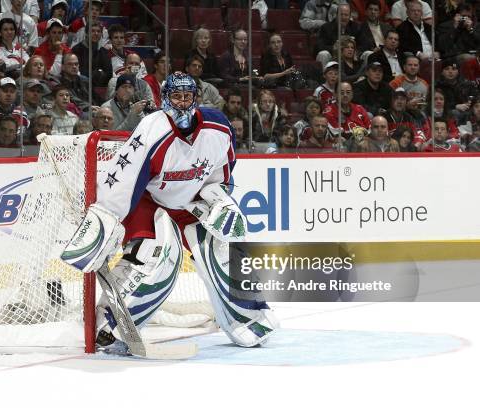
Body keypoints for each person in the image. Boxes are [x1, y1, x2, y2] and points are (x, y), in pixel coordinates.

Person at [60, 71, 278, 352]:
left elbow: (222, 171)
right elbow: (124, 179)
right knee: (158, 256)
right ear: (164, 99)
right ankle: (110, 323)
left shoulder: (219, 127)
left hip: (191, 201)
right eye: (176, 97)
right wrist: (106, 220)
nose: (183, 103)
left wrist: (218, 198)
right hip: (152, 201)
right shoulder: (152, 130)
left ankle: (249, 319)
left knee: (222, 250)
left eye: (188, 97)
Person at [315, 4, 360, 69]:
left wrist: (353, 49)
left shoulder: (355, 27)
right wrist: (334, 47)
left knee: (367, 53)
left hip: (351, 56)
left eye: (346, 15)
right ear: (336, 15)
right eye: (341, 14)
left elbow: (364, 44)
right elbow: (319, 46)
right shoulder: (326, 27)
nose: (343, 17)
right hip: (333, 56)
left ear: (350, 16)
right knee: (323, 54)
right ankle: (324, 78)